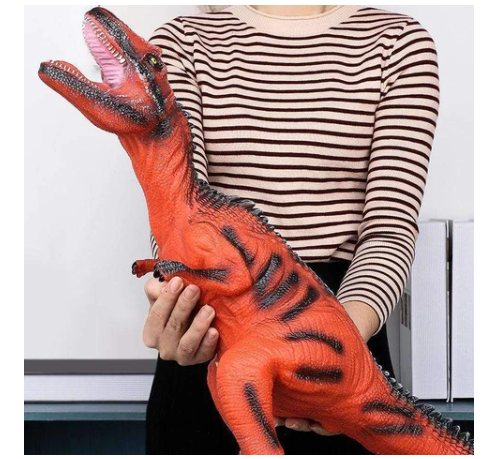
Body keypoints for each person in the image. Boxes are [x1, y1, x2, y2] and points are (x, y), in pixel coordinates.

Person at [142, 5, 439, 455]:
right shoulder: (182, 42)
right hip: (217, 332)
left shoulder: (397, 43)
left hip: (341, 326)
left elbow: (388, 230)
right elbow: (177, 203)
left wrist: (335, 348)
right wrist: (180, 308)